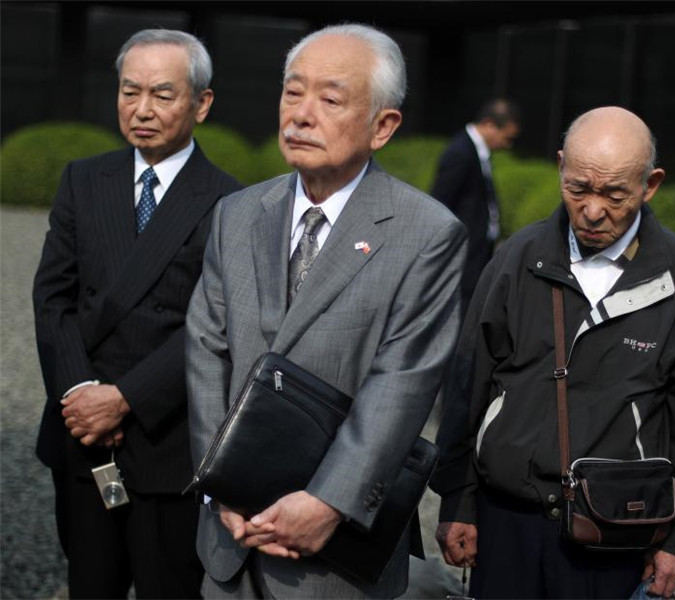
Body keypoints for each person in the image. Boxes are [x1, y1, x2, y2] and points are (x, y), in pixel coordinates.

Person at [184, 24, 466, 598]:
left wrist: (328, 502)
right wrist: (221, 485)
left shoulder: (426, 234)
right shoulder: (237, 213)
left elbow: (402, 383)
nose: (302, 114)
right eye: (293, 92)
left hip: (332, 554)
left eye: (330, 99)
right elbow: (205, 349)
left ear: (383, 126)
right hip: (229, 539)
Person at [432, 106, 675, 599]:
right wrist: (456, 500)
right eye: (578, 188)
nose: (592, 211)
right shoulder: (516, 259)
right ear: (562, 166)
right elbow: (470, 383)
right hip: (508, 520)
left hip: (616, 525)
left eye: (614, 194)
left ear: (650, 185)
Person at [32, 29, 240, 599]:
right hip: (84, 433)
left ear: (202, 103)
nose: (142, 110)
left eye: (163, 95)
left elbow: (214, 324)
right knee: (89, 582)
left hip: (167, 437)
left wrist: (124, 399)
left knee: (167, 584)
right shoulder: (83, 179)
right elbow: (53, 298)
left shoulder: (231, 201)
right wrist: (81, 394)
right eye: (130, 91)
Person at [431, 99, 520, 313]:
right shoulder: (460, 152)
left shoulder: (478, 153)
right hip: (462, 252)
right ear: (489, 125)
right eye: (506, 137)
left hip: (477, 249)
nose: (507, 145)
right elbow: (440, 203)